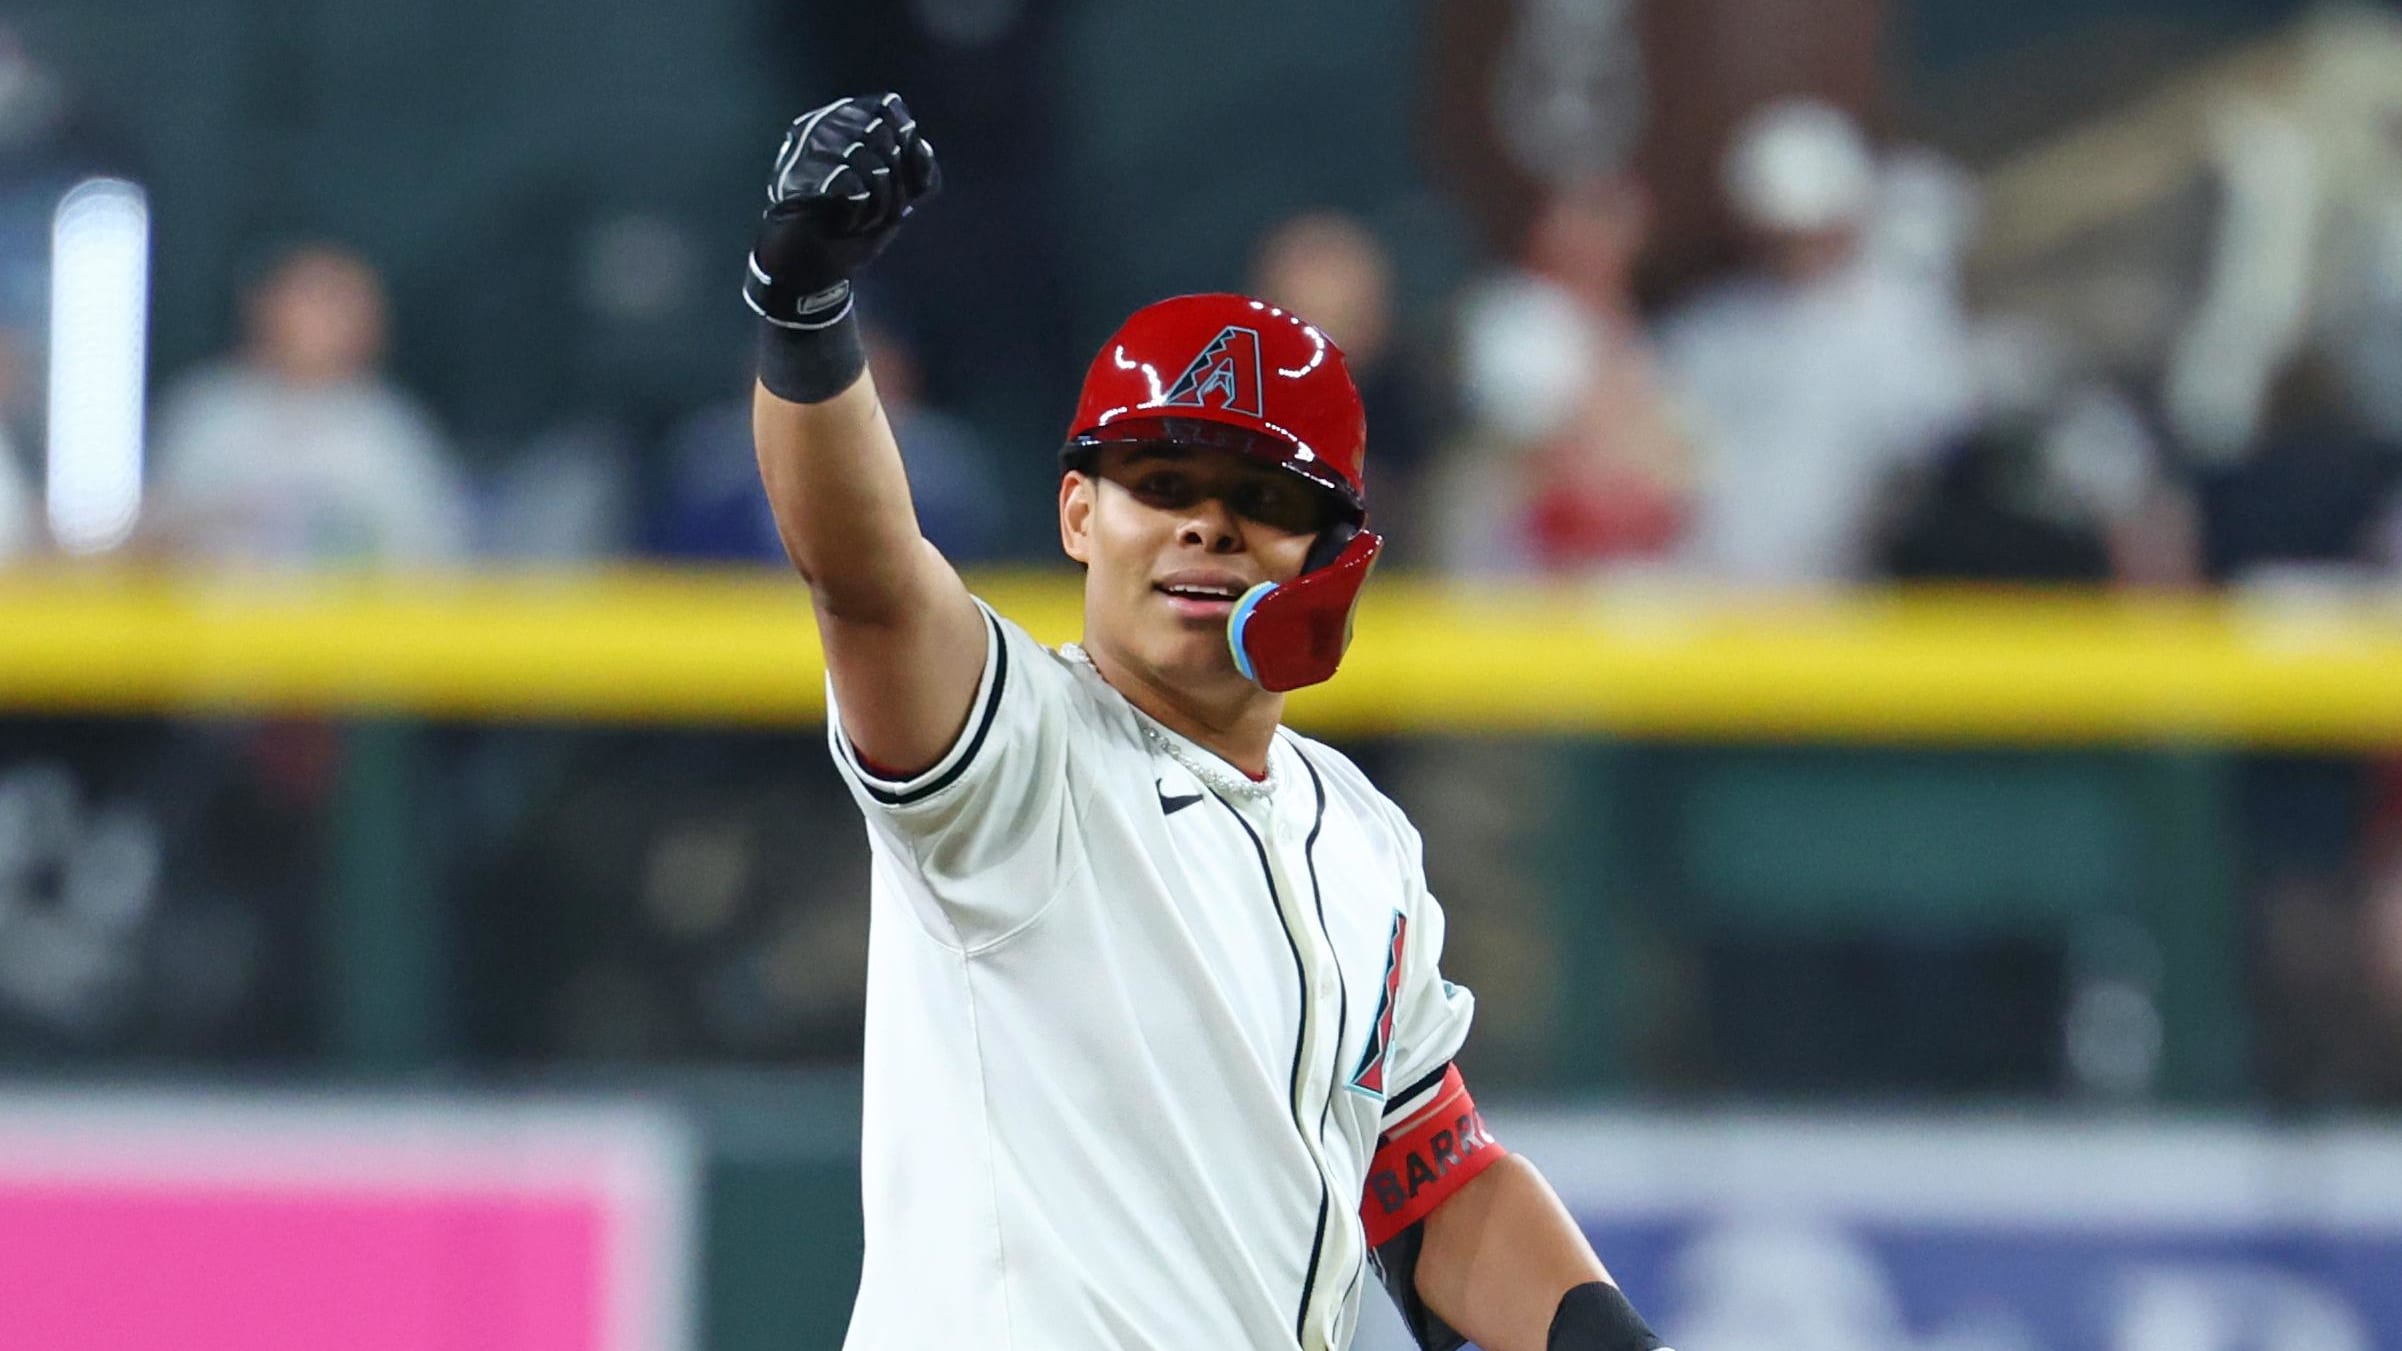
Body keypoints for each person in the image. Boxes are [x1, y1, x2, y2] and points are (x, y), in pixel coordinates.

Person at [740, 94, 1670, 1351]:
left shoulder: (1359, 834)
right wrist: (801, 313)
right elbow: (864, 576)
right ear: (1078, 516)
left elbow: (1425, 1171)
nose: (1203, 525)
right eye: (1160, 483)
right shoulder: (1017, 753)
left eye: (1259, 495)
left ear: (1335, 554)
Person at [147, 243, 469, 569]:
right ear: (264, 307)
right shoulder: (209, 413)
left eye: (340, 303)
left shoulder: (390, 431)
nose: (322, 320)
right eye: (309, 299)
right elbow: (147, 541)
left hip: (347, 618)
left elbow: (432, 562)